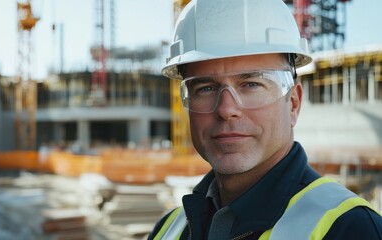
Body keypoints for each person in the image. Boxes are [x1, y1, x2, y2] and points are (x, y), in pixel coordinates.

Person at [148, 0, 382, 239]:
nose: (227, 109)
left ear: (293, 103)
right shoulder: (169, 230)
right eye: (205, 88)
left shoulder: (352, 229)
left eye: (252, 84)